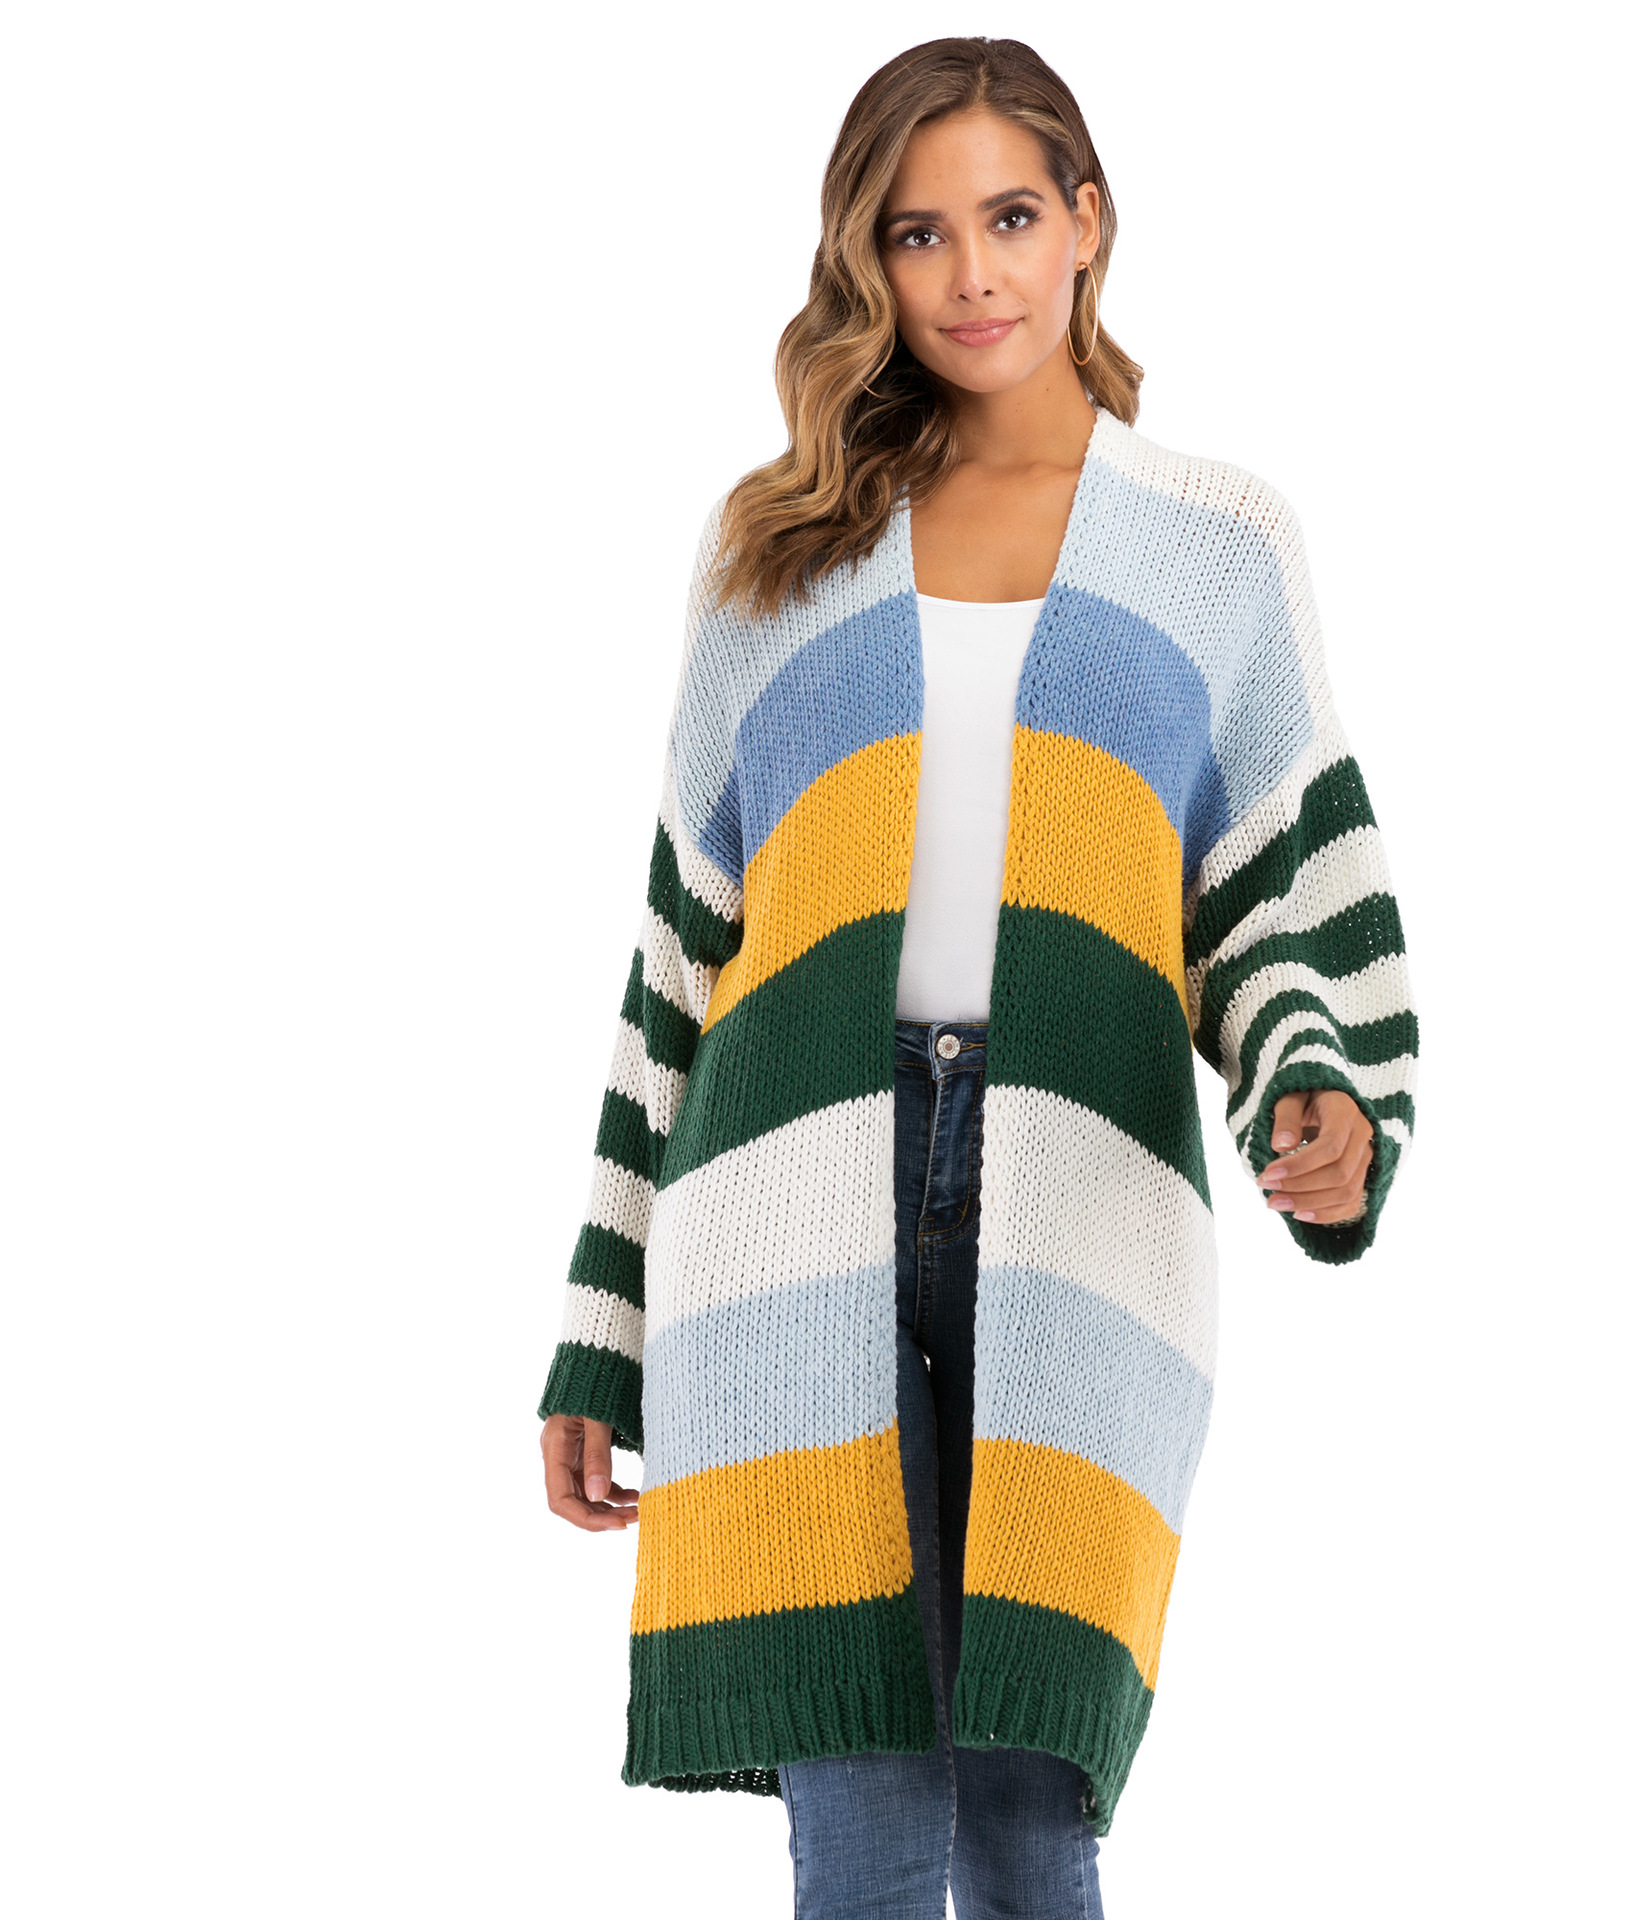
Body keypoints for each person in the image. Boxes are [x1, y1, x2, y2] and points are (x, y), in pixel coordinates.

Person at [536, 35, 1417, 1920]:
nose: (971, 276)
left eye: (1011, 217)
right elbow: (683, 951)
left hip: (1082, 1197)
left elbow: (1273, 903)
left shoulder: (1218, 546)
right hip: (789, 1197)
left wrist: (1319, 1089)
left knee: (1030, 1802)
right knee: (856, 1825)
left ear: (1088, 221)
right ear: (866, 263)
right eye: (917, 234)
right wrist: (601, 1322)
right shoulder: (780, 545)